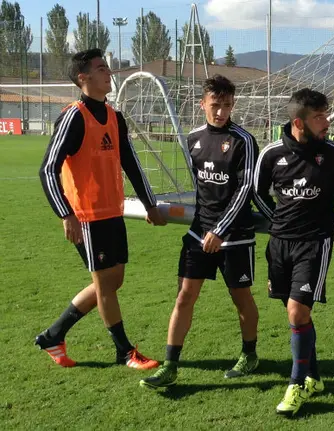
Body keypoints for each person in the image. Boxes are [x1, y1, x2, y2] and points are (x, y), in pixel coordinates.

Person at [36, 48, 165, 369]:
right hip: (86, 218)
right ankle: (124, 352)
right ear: (84, 78)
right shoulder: (74, 116)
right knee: (106, 285)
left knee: (112, 281)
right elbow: (48, 168)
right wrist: (66, 214)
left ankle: (54, 335)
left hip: (113, 212)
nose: (109, 73)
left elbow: (131, 163)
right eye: (102, 68)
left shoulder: (114, 116)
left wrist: (150, 205)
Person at [140, 75, 260, 388]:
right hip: (199, 233)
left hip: (234, 235)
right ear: (202, 104)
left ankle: (249, 354)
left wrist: (220, 229)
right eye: (215, 105)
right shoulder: (193, 139)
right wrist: (208, 227)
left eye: (227, 105)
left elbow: (246, 188)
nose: (221, 111)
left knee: (241, 298)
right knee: (184, 296)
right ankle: (170, 365)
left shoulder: (243, 140)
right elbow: (203, 189)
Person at [253, 88, 334, 416]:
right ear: (299, 122)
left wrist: (333, 225)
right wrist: (278, 221)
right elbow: (257, 192)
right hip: (279, 244)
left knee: (297, 312)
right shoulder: (271, 154)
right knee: (295, 314)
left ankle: (296, 383)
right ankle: (314, 376)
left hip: (314, 243)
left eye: (326, 114)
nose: (327, 121)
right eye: (320, 117)